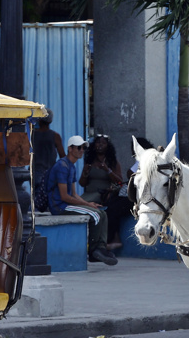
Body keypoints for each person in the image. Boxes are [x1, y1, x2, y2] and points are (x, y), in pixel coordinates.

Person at [47, 135, 118, 265]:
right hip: (60, 206)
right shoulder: (62, 166)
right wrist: (86, 204)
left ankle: (101, 248)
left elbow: (74, 193)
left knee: (102, 213)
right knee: (95, 214)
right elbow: (64, 196)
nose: (81, 150)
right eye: (78, 147)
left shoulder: (71, 166)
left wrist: (89, 204)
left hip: (67, 204)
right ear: (70, 148)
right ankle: (93, 250)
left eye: (83, 148)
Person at [79, 134, 131, 249]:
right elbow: (82, 183)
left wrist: (107, 171)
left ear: (108, 146)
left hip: (102, 194)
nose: (100, 145)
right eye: (98, 142)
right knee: (79, 204)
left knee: (83, 205)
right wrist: (85, 173)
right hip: (88, 193)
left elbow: (119, 181)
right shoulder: (90, 162)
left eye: (103, 143)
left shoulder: (113, 162)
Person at [31, 108, 65, 212]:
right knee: (48, 199)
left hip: (34, 172)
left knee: (36, 200)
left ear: (39, 120)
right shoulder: (55, 136)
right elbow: (62, 156)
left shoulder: (32, 135)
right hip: (49, 173)